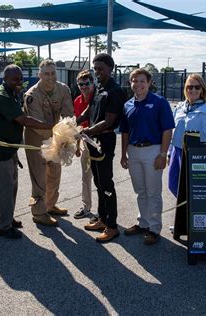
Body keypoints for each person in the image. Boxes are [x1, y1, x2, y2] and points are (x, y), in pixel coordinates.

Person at [0, 65, 54, 239]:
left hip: (8, 150)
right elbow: (24, 120)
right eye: (15, 79)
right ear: (5, 79)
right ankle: (2, 226)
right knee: (3, 189)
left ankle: (6, 218)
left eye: (21, 78)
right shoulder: (3, 96)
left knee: (10, 187)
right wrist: (50, 125)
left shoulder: (11, 93)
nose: (19, 82)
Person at [119, 68, 175, 245]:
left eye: (142, 81)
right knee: (140, 190)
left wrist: (163, 153)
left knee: (153, 191)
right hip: (133, 151)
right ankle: (143, 223)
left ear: (149, 83)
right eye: (135, 81)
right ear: (131, 83)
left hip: (153, 150)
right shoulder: (127, 104)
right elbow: (125, 132)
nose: (138, 84)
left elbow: (167, 130)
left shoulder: (159, 102)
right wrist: (123, 154)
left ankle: (154, 228)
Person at [76, 53, 125, 243]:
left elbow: (109, 120)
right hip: (92, 140)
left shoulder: (115, 91)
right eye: (95, 69)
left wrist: (88, 130)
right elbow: (90, 109)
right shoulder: (99, 88)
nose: (97, 72)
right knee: (97, 182)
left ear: (110, 68)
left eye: (100, 69)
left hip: (104, 140)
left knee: (106, 184)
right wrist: (76, 121)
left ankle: (112, 226)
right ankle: (102, 218)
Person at [23, 59, 74, 227]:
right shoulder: (32, 95)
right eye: (46, 74)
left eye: (53, 73)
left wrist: (67, 135)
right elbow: (37, 124)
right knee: (39, 175)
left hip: (55, 134)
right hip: (36, 135)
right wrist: (58, 136)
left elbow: (68, 116)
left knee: (54, 171)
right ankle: (38, 212)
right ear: (40, 75)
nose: (50, 77)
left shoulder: (63, 89)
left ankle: (50, 205)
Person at [168, 74, 206, 198]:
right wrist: (169, 153)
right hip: (177, 151)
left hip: (193, 153)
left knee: (191, 188)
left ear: (202, 90)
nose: (193, 90)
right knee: (173, 185)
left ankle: (189, 212)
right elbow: (171, 131)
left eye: (196, 87)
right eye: (189, 87)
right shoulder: (179, 108)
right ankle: (184, 208)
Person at [73, 70, 94, 219]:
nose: (84, 87)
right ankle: (86, 207)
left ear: (92, 83)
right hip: (85, 141)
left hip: (98, 141)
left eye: (87, 83)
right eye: (81, 84)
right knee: (86, 177)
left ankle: (104, 212)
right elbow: (78, 125)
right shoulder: (77, 101)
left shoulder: (97, 98)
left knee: (101, 178)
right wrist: (77, 146)